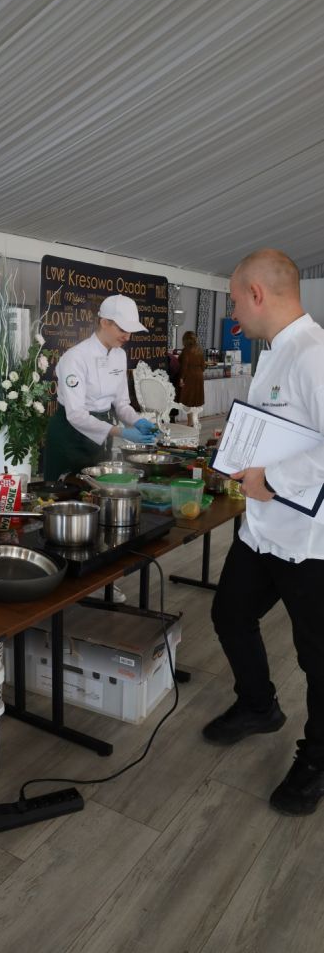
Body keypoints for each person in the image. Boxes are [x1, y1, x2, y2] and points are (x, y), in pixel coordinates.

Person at [202, 248, 324, 816]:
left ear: (257, 294)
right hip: (261, 530)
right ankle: (258, 705)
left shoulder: (314, 354)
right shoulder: (273, 354)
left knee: (316, 657)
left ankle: (317, 760)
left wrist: (270, 478)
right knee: (229, 612)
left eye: (233, 300)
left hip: (309, 540)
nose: (232, 313)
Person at [43, 294, 158, 482]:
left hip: (102, 434)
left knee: (97, 488)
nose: (127, 336)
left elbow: (121, 403)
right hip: (69, 435)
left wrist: (137, 421)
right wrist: (121, 432)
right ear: (104, 322)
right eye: (122, 329)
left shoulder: (120, 355)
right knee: (65, 489)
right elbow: (76, 415)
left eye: (130, 331)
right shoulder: (75, 358)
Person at [178, 330, 205, 427]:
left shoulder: (186, 351)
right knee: (196, 400)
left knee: (188, 401)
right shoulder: (199, 350)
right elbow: (203, 367)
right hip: (199, 376)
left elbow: (184, 366)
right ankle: (195, 420)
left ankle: (190, 422)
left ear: (185, 340)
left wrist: (181, 378)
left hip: (189, 376)